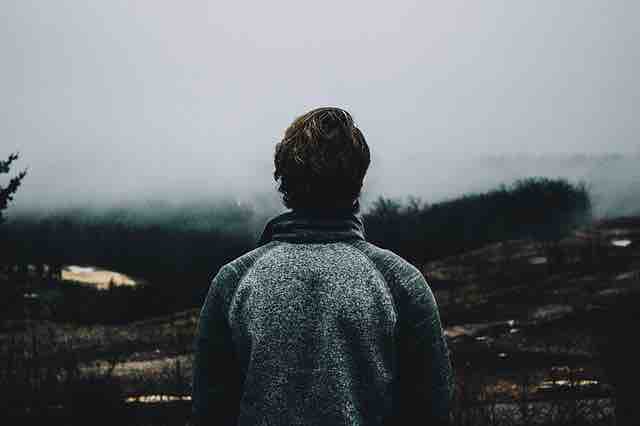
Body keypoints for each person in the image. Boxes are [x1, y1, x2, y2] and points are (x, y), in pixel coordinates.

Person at [192, 107, 453, 425]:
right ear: (359, 178)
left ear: (283, 178)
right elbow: (431, 412)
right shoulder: (400, 281)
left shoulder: (233, 282)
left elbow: (211, 414)